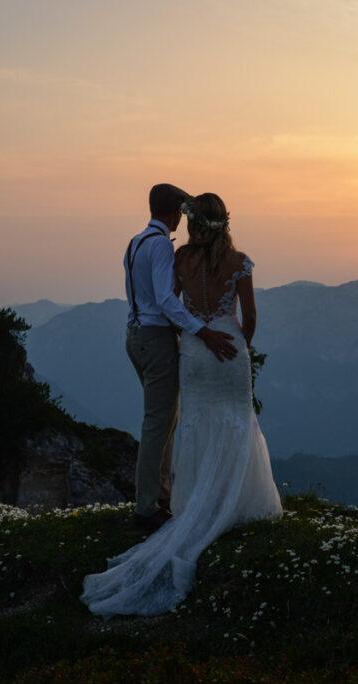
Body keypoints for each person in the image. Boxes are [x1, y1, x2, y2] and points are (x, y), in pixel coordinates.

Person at [82, 192, 282, 617]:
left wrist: (194, 337)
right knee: (234, 421)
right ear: (224, 223)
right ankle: (232, 501)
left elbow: (168, 302)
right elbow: (250, 318)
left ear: (192, 222)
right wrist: (238, 345)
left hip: (191, 350)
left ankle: (187, 503)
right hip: (227, 348)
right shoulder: (240, 262)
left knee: (191, 422)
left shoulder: (177, 259)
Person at [119, 183, 237, 529]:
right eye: (182, 212)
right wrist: (203, 332)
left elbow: (137, 293)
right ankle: (146, 506)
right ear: (174, 212)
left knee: (165, 418)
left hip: (135, 335)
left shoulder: (135, 242)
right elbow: (167, 300)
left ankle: (162, 496)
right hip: (156, 339)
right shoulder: (159, 246)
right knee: (158, 423)